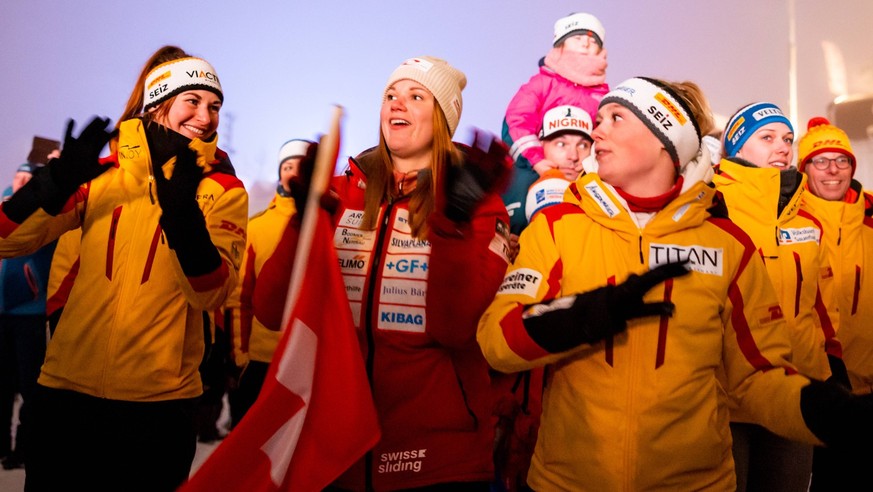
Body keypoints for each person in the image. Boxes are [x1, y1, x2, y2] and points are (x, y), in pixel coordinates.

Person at [477, 76, 873, 490]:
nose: (596, 131)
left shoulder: (726, 244)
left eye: (615, 118)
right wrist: (579, 316)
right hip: (568, 482)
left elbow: (758, 376)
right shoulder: (558, 226)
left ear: (664, 140)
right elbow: (495, 342)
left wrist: (835, 415)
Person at [253, 56, 513, 490]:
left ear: (444, 118)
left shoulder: (480, 205)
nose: (397, 104)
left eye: (416, 96)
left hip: (434, 460)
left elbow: (455, 329)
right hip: (336, 450)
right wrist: (304, 221)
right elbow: (270, 311)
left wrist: (453, 221)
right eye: (390, 95)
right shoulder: (339, 192)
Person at [0, 45, 248, 491]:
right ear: (157, 104)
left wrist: (184, 219)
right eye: (193, 101)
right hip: (66, 395)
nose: (207, 117)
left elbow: (211, 294)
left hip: (159, 407)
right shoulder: (101, 176)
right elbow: (5, 240)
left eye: (215, 106)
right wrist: (50, 184)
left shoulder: (223, 187)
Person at [714, 103, 844, 492]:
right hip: (728, 397)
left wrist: (831, 363)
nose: (782, 148)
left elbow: (822, 303)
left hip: (795, 390)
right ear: (736, 148)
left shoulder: (806, 219)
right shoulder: (710, 209)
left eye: (787, 139)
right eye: (767, 138)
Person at [795, 116, 873, 489]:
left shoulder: (871, 218)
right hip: (819, 385)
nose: (832, 170)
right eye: (820, 160)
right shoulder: (789, 220)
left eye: (841, 160)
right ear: (805, 168)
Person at [225, 138, 315, 429]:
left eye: (302, 167)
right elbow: (240, 297)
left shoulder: (331, 224)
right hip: (260, 360)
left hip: (309, 360)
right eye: (287, 166)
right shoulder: (257, 227)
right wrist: (240, 355)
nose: (293, 173)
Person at [502, 11, 609, 234]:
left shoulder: (603, 95)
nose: (585, 45)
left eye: (592, 42)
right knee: (521, 189)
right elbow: (517, 119)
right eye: (578, 39)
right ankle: (516, 234)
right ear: (561, 44)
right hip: (535, 159)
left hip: (585, 165)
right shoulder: (543, 83)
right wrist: (537, 161)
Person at [0, 163, 56, 470]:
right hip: (2, 312)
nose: (19, 183)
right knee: (2, 386)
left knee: (30, 389)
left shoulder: (41, 213)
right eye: (16, 177)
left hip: (30, 314)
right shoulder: (6, 204)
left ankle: (23, 448)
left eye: (26, 179)